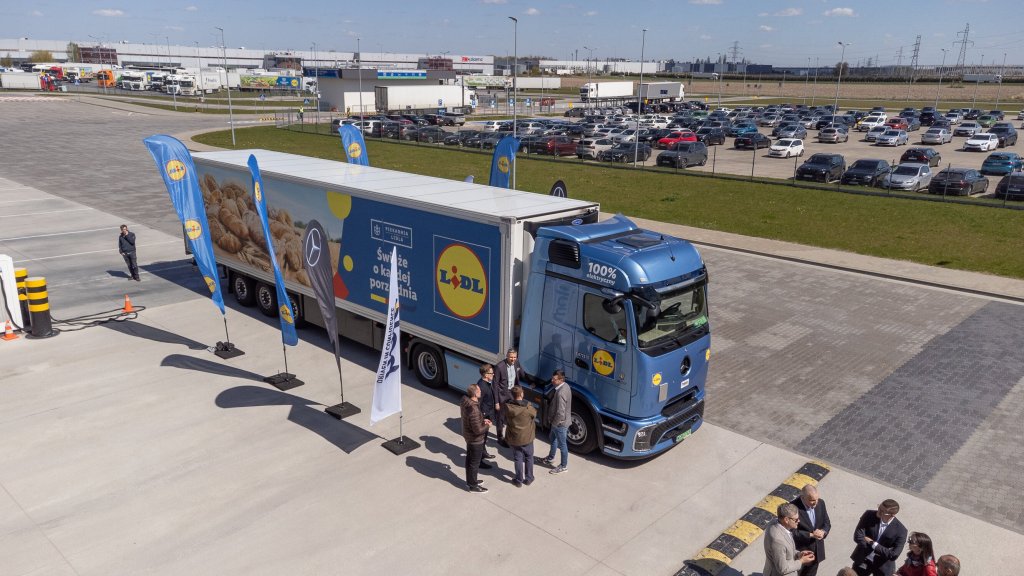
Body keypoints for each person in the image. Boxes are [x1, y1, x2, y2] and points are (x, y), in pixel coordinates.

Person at [851, 499, 908, 576]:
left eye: (882, 511)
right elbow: (858, 536)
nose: (878, 511)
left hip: (882, 566)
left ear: (892, 515)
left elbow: (894, 555)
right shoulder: (869, 514)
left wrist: (873, 544)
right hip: (863, 559)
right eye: (879, 508)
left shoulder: (901, 531)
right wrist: (884, 551)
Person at [764, 502, 816, 576]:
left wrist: (799, 554)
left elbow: (786, 549)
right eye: (796, 519)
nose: (799, 521)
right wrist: (801, 561)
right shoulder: (778, 541)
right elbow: (783, 569)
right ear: (786, 519)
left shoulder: (776, 523)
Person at [792, 484, 832, 576]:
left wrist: (823, 532)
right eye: (812, 500)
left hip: (816, 552)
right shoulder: (793, 508)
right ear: (802, 498)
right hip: (800, 553)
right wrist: (811, 535)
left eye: (817, 499)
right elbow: (791, 532)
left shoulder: (821, 503)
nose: (816, 503)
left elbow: (827, 523)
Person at [460, 383, 492, 493]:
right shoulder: (473, 409)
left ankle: (471, 481)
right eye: (479, 391)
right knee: (474, 463)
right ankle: (473, 486)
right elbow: (478, 430)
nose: (480, 391)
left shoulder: (465, 402)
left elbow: (473, 421)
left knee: (470, 460)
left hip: (469, 437)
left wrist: (482, 420)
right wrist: (487, 425)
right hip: (475, 440)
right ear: (474, 394)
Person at [503, 385, 537, 487]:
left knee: (518, 458)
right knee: (529, 457)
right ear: (522, 394)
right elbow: (534, 414)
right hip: (527, 437)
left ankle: (518, 480)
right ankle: (529, 478)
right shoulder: (528, 407)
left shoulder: (508, 407)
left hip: (514, 438)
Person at [539, 369, 571, 475]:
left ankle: (563, 466)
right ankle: (551, 458)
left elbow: (560, 413)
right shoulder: (566, 386)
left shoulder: (561, 393)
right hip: (558, 423)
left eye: (555, 379)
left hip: (559, 424)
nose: (552, 380)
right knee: (552, 438)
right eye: (552, 378)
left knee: (562, 445)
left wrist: (554, 424)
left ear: (561, 380)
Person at [492, 347, 526, 447]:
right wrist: (496, 402)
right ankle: (500, 437)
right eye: (511, 357)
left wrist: (532, 382)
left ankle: (509, 437)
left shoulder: (516, 363)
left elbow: (522, 374)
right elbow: (495, 385)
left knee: (512, 417)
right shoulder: (499, 367)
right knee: (501, 418)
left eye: (515, 357)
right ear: (507, 356)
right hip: (502, 396)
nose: (513, 359)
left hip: (513, 394)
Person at [476, 364, 497, 461]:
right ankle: (480, 459)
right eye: (491, 373)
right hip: (484, 416)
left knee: (484, 437)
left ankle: (483, 453)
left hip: (488, 414)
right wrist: (482, 418)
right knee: (481, 438)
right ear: (485, 375)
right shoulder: (482, 386)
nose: (493, 374)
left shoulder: (486, 383)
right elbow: (478, 404)